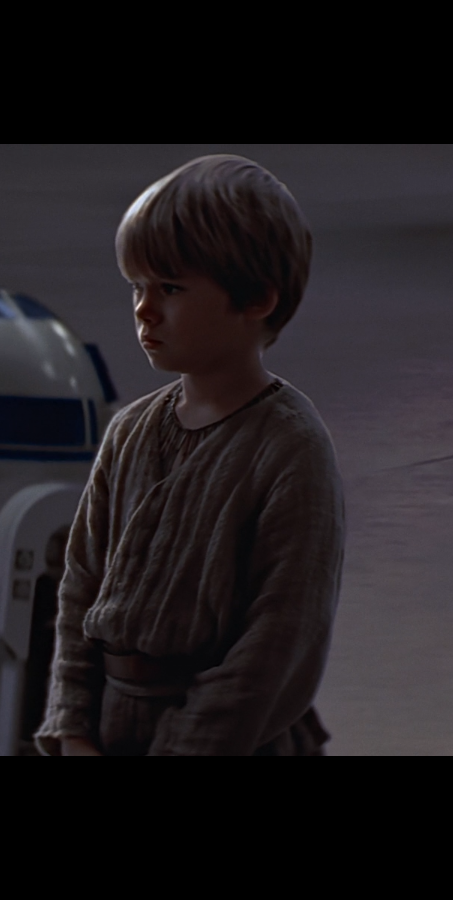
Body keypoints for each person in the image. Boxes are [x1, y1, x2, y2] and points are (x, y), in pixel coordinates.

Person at [35, 155, 344, 756]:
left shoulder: (291, 447)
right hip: (110, 731)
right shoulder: (129, 433)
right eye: (137, 287)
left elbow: (280, 640)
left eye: (170, 288)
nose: (144, 309)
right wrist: (74, 730)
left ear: (257, 298)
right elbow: (80, 592)